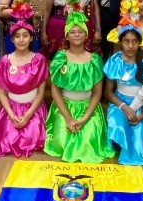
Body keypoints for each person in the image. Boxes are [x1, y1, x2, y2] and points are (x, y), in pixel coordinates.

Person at [44, 12, 113, 163]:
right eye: (72, 32)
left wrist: (84, 118)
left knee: (89, 140)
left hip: (88, 108)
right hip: (64, 107)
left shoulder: (95, 60)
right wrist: (68, 118)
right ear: (66, 36)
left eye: (80, 31)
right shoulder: (60, 58)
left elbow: (96, 94)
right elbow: (55, 90)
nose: (76, 35)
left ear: (86, 35)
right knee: (62, 138)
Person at [0, 11, 49, 157]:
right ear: (12, 39)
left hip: (33, 108)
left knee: (32, 137)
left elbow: (41, 93)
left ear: (31, 38)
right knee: (6, 138)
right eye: (17, 36)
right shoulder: (5, 61)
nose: (21, 40)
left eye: (25, 36)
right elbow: (2, 93)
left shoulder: (39, 60)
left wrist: (29, 114)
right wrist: (11, 114)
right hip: (11, 108)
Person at [104, 19, 143, 165]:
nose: (130, 46)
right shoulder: (115, 61)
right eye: (126, 41)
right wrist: (124, 107)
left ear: (139, 42)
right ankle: (119, 143)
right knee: (119, 125)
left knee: (138, 134)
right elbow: (108, 92)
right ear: (121, 42)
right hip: (119, 103)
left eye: (134, 41)